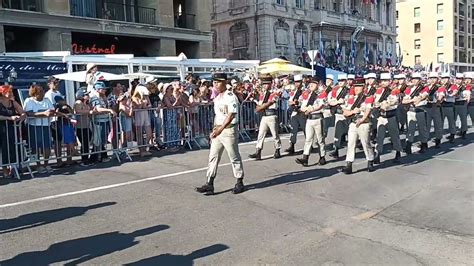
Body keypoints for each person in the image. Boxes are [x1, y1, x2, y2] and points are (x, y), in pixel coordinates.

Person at [195, 72, 245, 195]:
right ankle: (210, 182)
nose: (215, 85)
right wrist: (214, 131)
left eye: (217, 82)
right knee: (213, 156)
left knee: (234, 156)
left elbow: (231, 114)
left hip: (228, 130)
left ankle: (239, 181)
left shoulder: (230, 96)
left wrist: (220, 129)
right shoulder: (217, 98)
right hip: (218, 130)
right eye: (214, 82)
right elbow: (218, 116)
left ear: (224, 82)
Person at [341, 78, 375, 174]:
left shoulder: (368, 97)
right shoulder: (350, 98)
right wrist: (352, 111)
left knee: (365, 143)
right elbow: (345, 112)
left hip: (363, 123)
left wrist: (362, 119)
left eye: (359, 86)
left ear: (363, 87)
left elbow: (367, 111)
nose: (356, 88)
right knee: (350, 143)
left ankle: (370, 160)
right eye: (355, 86)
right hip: (353, 123)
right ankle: (349, 164)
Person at [295, 77, 327, 167]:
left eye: (314, 83)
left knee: (320, 139)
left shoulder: (321, 94)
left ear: (318, 85)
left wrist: (311, 109)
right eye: (310, 83)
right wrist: (304, 109)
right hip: (309, 118)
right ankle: (305, 158)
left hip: (317, 118)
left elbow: (321, 105)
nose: (311, 85)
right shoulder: (307, 94)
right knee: (308, 139)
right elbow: (302, 105)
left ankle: (322, 157)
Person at [248, 74, 282, 160]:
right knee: (260, 134)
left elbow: (269, 103)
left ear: (271, 84)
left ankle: (277, 149)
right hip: (264, 115)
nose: (265, 86)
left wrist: (260, 108)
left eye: (267, 84)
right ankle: (258, 151)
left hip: (271, 115)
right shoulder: (262, 95)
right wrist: (259, 106)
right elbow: (258, 105)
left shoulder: (274, 94)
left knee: (275, 134)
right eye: (264, 84)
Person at [23, 84, 55, 174]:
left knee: (47, 146)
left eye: (43, 91)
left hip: (46, 125)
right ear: (35, 93)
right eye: (41, 91)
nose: (43, 93)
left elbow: (52, 110)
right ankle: (38, 165)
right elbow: (29, 113)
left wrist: (50, 113)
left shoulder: (47, 100)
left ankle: (46, 164)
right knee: (35, 147)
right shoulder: (29, 101)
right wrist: (43, 113)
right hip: (33, 126)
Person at [373, 72, 402, 164]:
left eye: (386, 81)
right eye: (383, 81)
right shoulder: (378, 91)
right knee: (379, 137)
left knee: (394, 136)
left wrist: (386, 104)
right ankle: (377, 154)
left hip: (391, 116)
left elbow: (394, 102)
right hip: (381, 116)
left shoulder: (394, 91)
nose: (384, 83)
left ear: (390, 81)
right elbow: (375, 101)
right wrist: (378, 105)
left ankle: (398, 152)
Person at [0, 85, 26, 178]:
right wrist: (9, 118)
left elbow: (23, 112)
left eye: (11, 91)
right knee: (3, 149)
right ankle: (5, 170)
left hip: (11, 128)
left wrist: (21, 117)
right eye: (8, 91)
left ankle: (13, 168)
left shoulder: (13, 102)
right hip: (2, 128)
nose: (10, 93)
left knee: (13, 147)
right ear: (2, 93)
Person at [402, 72, 429, 154]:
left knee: (422, 129)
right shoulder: (408, 89)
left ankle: (424, 145)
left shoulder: (424, 88)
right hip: (411, 110)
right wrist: (411, 100)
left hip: (420, 110)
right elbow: (403, 101)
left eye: (416, 79)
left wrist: (419, 99)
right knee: (410, 129)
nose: (414, 81)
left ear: (420, 80)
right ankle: (408, 146)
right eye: (413, 79)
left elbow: (424, 96)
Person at [89, 82, 116, 162]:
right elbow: (98, 109)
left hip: (105, 120)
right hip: (98, 121)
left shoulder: (104, 97)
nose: (104, 90)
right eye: (102, 89)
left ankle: (102, 156)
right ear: (97, 90)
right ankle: (95, 157)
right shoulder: (95, 98)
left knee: (103, 140)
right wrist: (109, 110)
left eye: (104, 89)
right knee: (98, 140)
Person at [328, 74, 350, 159]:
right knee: (337, 133)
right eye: (340, 80)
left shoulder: (349, 91)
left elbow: (348, 101)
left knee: (350, 133)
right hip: (338, 113)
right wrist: (338, 102)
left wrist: (339, 101)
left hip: (347, 114)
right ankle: (336, 150)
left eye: (343, 81)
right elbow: (330, 101)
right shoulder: (334, 90)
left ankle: (351, 151)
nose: (341, 82)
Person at [44, 76, 65, 168]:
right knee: (55, 140)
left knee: (59, 140)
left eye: (57, 82)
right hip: (53, 120)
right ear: (49, 84)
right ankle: (47, 162)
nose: (57, 84)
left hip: (59, 118)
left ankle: (59, 160)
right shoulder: (48, 94)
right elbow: (52, 108)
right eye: (54, 83)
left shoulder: (58, 92)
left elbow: (62, 103)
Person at [285, 74, 306, 155]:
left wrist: (295, 102)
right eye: (296, 82)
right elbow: (290, 101)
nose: (297, 84)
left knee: (305, 130)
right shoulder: (294, 92)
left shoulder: (305, 91)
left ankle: (309, 146)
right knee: (293, 130)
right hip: (295, 111)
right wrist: (294, 102)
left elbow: (303, 101)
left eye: (298, 82)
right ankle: (292, 146)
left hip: (302, 112)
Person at [54, 96, 76, 165]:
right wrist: (63, 114)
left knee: (71, 140)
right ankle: (74, 151)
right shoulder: (57, 106)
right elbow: (55, 113)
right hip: (62, 124)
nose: (64, 101)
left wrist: (68, 109)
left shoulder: (67, 105)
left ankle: (69, 159)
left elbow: (72, 112)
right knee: (68, 140)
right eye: (62, 100)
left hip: (69, 124)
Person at [74, 89, 94, 166]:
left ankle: (86, 157)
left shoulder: (86, 103)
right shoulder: (78, 103)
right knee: (84, 143)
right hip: (81, 127)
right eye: (86, 95)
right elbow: (78, 111)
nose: (87, 96)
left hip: (86, 125)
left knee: (87, 142)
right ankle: (84, 159)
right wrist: (88, 111)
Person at [132, 85, 152, 157]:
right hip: (139, 115)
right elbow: (139, 106)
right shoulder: (134, 97)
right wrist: (142, 103)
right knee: (139, 133)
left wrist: (146, 106)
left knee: (149, 133)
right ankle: (141, 150)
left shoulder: (146, 97)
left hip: (145, 114)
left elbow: (150, 105)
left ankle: (145, 147)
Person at [425, 72, 443, 148]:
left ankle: (438, 140)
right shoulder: (426, 87)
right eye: (431, 78)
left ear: (437, 79)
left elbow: (441, 95)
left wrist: (439, 100)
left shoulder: (440, 87)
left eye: (434, 78)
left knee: (437, 125)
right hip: (427, 107)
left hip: (436, 107)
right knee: (426, 126)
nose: (432, 80)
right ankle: (424, 142)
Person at [438, 73, 457, 143]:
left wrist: (447, 94)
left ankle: (452, 135)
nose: (444, 80)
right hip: (441, 106)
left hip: (449, 105)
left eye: (446, 78)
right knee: (440, 123)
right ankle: (438, 137)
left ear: (449, 79)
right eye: (443, 78)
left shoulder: (452, 86)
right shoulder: (439, 86)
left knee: (451, 122)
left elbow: (454, 92)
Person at [454, 73, 470, 139]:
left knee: (463, 119)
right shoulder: (453, 86)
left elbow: (468, 96)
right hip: (454, 104)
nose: (458, 80)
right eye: (457, 79)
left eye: (460, 79)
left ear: (462, 80)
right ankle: (453, 133)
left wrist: (466, 104)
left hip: (462, 103)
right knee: (453, 119)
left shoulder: (466, 86)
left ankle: (463, 132)